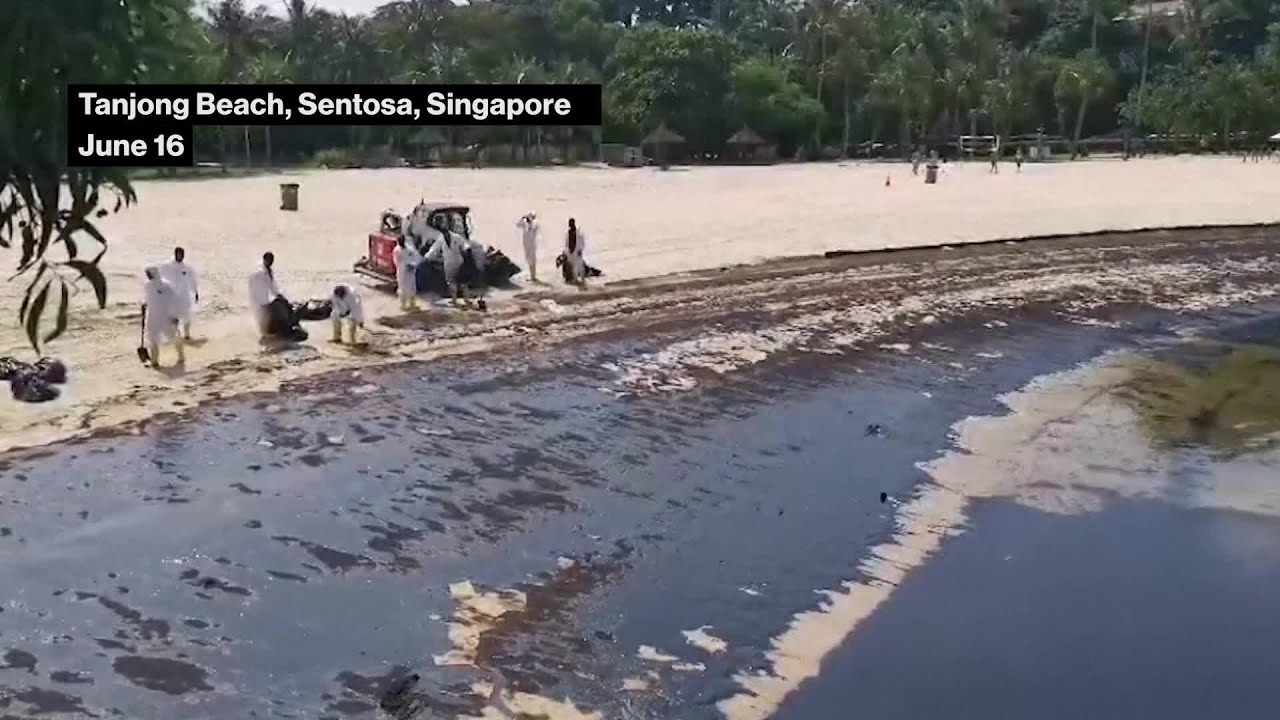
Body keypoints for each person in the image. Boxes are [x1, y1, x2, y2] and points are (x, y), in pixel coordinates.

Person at [143, 266, 184, 368]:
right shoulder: (147, 285)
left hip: (166, 316)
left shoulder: (167, 285)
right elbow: (147, 298)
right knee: (152, 338)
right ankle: (154, 361)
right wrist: (144, 304)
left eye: (149, 273)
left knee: (173, 336)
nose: (148, 275)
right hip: (153, 316)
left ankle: (181, 356)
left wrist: (175, 315)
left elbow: (174, 301)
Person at [160, 246, 199, 340]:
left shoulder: (187, 267)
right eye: (179, 254)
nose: (181, 256)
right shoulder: (167, 265)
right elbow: (160, 278)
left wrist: (195, 291)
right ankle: (176, 334)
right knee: (173, 315)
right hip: (172, 295)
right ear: (175, 254)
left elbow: (192, 279)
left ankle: (187, 334)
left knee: (187, 315)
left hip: (184, 295)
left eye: (182, 255)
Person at [424, 218, 465, 303]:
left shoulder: (443, 238)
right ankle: (464, 299)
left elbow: (434, 250)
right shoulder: (456, 237)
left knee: (451, 281)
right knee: (459, 281)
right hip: (457, 261)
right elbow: (465, 246)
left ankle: (454, 300)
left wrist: (426, 258)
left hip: (451, 262)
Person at [248, 251, 282, 337]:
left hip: (264, 298)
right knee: (262, 316)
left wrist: (277, 294)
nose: (270, 264)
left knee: (266, 315)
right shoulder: (258, 272)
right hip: (258, 298)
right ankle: (265, 334)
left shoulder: (267, 270)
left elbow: (272, 284)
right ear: (265, 260)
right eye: (269, 262)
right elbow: (255, 286)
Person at [392, 236, 423, 311]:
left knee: (412, 287)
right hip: (402, 271)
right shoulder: (396, 250)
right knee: (402, 288)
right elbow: (396, 261)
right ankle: (403, 305)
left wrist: (414, 264)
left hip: (410, 270)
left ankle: (412, 304)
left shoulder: (409, 248)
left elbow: (417, 256)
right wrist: (405, 265)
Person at [517, 212, 539, 282]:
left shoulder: (535, 224)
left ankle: (533, 276)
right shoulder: (524, 224)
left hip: (532, 245)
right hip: (526, 245)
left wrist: (530, 222)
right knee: (528, 260)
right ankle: (531, 276)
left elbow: (532, 228)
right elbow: (518, 225)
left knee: (532, 260)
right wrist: (522, 218)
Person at [564, 218, 587, 287]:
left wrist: (580, 249)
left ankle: (583, 280)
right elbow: (567, 242)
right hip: (571, 252)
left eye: (571, 223)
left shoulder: (579, 232)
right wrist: (567, 251)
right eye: (569, 223)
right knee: (574, 267)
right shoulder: (568, 232)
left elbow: (582, 242)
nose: (570, 225)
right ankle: (576, 279)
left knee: (580, 266)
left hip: (577, 251)